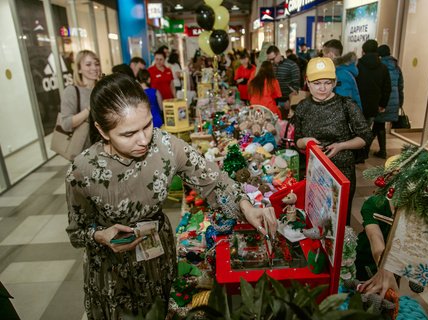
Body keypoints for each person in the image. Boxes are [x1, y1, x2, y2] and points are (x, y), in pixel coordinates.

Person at [65, 73, 277, 319]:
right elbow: (77, 233)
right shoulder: (83, 170)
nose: (143, 139)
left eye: (147, 125)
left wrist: (246, 205)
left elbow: (214, 181)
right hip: (112, 272)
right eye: (128, 134)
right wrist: (101, 235)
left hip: (157, 261)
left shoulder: (165, 146)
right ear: (102, 130)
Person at [293, 57, 373, 225]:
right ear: (307, 82)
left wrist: (342, 145)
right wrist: (306, 141)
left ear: (335, 81)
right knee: (315, 218)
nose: (322, 88)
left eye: (327, 83)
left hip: (341, 172)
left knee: (339, 221)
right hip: (314, 172)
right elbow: (297, 140)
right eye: (317, 83)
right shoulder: (302, 107)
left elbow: (365, 137)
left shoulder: (346, 105)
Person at [355, 194, 399, 297]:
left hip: (394, 268)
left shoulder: (419, 215)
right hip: (365, 260)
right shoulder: (376, 203)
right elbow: (374, 236)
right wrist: (385, 268)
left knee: (387, 296)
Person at [356, 40, 391, 159]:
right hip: (373, 105)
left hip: (357, 104)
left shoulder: (357, 65)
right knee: (365, 129)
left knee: (354, 130)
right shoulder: (383, 67)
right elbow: (387, 88)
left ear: (363, 51)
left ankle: (355, 155)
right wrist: (382, 104)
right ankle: (363, 154)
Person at [60, 50, 101, 149]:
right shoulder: (72, 91)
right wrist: (89, 109)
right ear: (79, 69)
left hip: (106, 145)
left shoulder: (102, 88)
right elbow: (66, 124)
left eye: (96, 64)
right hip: (85, 149)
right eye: (88, 64)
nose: (94, 68)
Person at [373, 45, 405, 158]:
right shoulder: (396, 67)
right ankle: (379, 150)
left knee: (378, 124)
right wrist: (400, 102)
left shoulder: (380, 66)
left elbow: (378, 85)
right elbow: (400, 86)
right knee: (379, 124)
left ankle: (367, 149)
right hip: (394, 99)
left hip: (383, 100)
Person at [322, 39, 362, 110]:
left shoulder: (341, 74)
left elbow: (343, 106)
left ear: (331, 54)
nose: (322, 57)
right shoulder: (338, 71)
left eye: (324, 54)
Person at [266, 45, 300, 119]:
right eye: (270, 60)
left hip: (286, 101)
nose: (271, 61)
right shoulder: (271, 66)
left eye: (273, 59)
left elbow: (296, 85)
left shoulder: (291, 65)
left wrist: (290, 100)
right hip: (273, 102)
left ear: (278, 54)